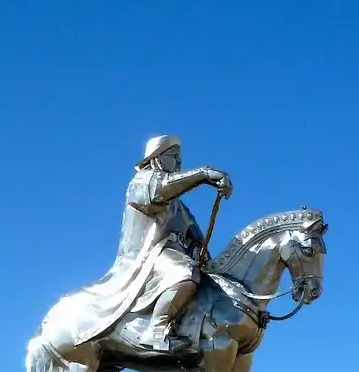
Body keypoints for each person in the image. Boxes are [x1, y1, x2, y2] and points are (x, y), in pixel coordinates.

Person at [45, 135, 232, 352]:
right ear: (156, 158)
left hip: (170, 254)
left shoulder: (178, 205)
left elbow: (193, 232)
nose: (179, 163)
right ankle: (156, 330)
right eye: (173, 156)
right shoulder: (143, 182)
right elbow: (161, 189)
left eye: (180, 159)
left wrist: (202, 251)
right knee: (184, 272)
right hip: (147, 256)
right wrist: (203, 174)